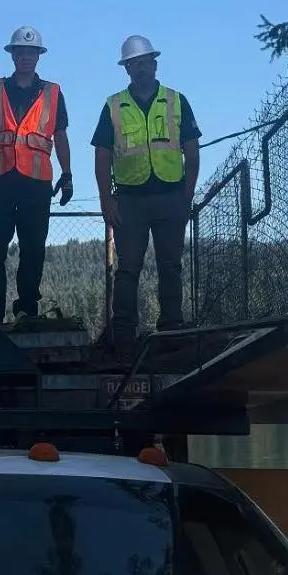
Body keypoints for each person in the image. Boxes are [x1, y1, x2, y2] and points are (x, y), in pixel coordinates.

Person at [92, 35, 201, 352]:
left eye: (144, 62)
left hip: (171, 196)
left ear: (154, 64)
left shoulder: (176, 101)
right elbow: (101, 156)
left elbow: (192, 152)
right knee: (128, 268)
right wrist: (105, 199)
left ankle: (171, 329)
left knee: (171, 265)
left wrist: (187, 195)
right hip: (129, 200)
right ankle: (124, 334)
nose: (140, 68)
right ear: (126, 69)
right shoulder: (113, 106)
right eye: (133, 64)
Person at [0, 26, 73, 325]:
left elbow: (61, 135)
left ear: (39, 56)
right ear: (12, 55)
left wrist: (67, 174)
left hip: (36, 182)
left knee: (33, 248)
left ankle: (27, 309)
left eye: (31, 52)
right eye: (20, 51)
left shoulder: (53, 93)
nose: (26, 57)